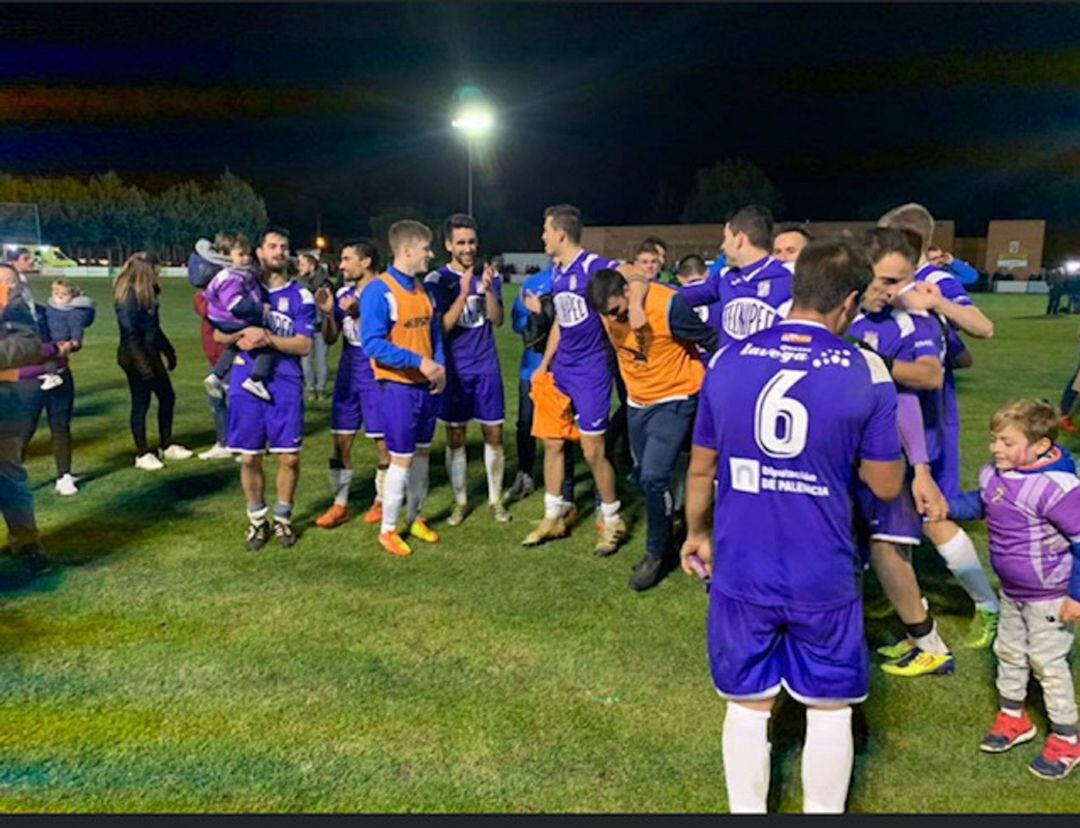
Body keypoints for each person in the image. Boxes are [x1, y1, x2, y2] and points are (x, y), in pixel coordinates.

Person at [680, 237, 905, 813]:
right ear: (850, 301)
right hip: (821, 566)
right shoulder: (867, 369)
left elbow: (701, 468)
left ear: (796, 284)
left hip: (742, 562)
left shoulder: (729, 358)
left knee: (747, 704)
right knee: (830, 708)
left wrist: (696, 534)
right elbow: (884, 485)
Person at [880, 203, 1000, 647]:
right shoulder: (884, 282)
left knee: (933, 510)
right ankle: (912, 612)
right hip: (888, 404)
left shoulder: (933, 279)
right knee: (889, 511)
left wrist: (936, 301)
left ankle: (987, 605)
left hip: (926, 409)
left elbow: (983, 327)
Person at [945, 399, 1080, 780]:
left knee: (1048, 664)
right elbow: (983, 503)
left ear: (1039, 446)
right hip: (1013, 591)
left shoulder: (1059, 488)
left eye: (1006, 442)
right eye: (993, 440)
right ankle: (1013, 718)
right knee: (1008, 652)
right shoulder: (996, 474)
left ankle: (1067, 739)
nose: (994, 449)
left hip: (1051, 595)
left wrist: (1077, 595)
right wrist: (945, 507)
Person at [847, 227, 956, 676]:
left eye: (902, 280)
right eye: (888, 280)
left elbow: (928, 377)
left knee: (887, 548)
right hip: (853, 456)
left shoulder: (912, 321)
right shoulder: (845, 315)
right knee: (868, 547)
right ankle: (912, 635)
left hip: (902, 456)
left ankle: (931, 645)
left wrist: (876, 363)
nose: (896, 291)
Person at [521, 204, 640, 555]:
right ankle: (553, 515)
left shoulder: (593, 266)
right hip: (563, 370)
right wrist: (545, 363)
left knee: (592, 448)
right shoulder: (557, 271)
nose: (542, 236)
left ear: (561, 233)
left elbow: (632, 273)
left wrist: (634, 304)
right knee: (553, 441)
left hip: (592, 371)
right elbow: (561, 321)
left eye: (545, 230)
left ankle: (612, 518)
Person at [587, 268, 717, 590]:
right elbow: (628, 268)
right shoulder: (613, 306)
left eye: (618, 311)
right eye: (608, 315)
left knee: (654, 477)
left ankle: (656, 554)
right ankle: (680, 525)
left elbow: (712, 340)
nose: (615, 320)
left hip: (675, 397)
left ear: (628, 294)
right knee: (649, 475)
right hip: (637, 403)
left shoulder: (668, 306)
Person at [217, 228, 315, 551]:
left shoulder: (301, 296)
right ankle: (257, 521)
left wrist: (269, 339)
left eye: (284, 247)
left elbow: (303, 345)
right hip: (245, 383)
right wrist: (243, 334)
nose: (278, 251)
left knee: (289, 458)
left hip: (285, 383)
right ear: (259, 252)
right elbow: (218, 335)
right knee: (249, 458)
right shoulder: (244, 288)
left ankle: (283, 518)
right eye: (272, 246)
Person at [359, 220, 446, 558]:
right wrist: (419, 362)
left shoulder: (423, 289)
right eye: (426, 248)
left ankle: (416, 517)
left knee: (422, 455)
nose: (431, 254)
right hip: (397, 388)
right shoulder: (379, 292)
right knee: (402, 458)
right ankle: (388, 529)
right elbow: (372, 344)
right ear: (407, 250)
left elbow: (434, 333)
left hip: (425, 387)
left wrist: (438, 367)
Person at [425, 214, 511, 526]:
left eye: (471, 241)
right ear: (448, 244)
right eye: (460, 242)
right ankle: (461, 501)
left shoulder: (489, 275)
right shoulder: (437, 281)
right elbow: (442, 328)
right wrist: (462, 293)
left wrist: (487, 289)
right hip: (455, 370)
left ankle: (495, 499)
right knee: (456, 436)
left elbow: (497, 319)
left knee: (494, 433)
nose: (467, 248)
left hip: (486, 366)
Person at [637, 205, 793, 349]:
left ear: (740, 239)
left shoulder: (791, 276)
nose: (722, 246)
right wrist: (636, 285)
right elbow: (677, 295)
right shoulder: (726, 277)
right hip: (730, 372)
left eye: (726, 238)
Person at [314, 239, 391, 529]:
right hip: (349, 371)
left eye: (347, 259)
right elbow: (331, 338)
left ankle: (382, 500)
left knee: (382, 441)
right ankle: (340, 504)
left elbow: (388, 338)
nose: (341, 265)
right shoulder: (343, 292)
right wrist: (328, 314)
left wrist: (360, 314)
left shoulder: (385, 292)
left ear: (366, 262)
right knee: (340, 440)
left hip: (377, 372)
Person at [0, 263, 69, 574]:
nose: (8, 286)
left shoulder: (13, 306)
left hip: (3, 405)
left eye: (11, 281)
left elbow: (27, 346)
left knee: (9, 477)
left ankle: (28, 543)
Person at [506, 260, 578, 508]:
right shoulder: (533, 283)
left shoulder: (577, 280)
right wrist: (534, 314)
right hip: (533, 367)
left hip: (565, 367)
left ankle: (567, 490)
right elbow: (518, 324)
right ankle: (525, 475)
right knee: (526, 423)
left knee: (563, 427)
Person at [113, 252, 193, 470]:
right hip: (134, 357)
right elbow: (130, 334)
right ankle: (142, 454)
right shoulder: (127, 295)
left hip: (149, 354)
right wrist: (144, 368)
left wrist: (168, 350)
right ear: (147, 271)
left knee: (167, 397)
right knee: (141, 403)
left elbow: (153, 328)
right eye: (156, 270)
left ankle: (166, 445)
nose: (159, 273)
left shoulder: (148, 292)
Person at [201, 233, 278, 403]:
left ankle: (216, 375)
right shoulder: (232, 277)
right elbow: (235, 305)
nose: (246, 259)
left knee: (234, 345)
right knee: (266, 341)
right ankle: (256, 379)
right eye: (240, 255)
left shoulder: (227, 274)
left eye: (247, 254)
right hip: (231, 318)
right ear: (225, 255)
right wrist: (259, 308)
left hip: (222, 319)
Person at [192, 286, 235, 461]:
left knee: (233, 401)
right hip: (216, 357)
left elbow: (205, 310)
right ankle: (224, 442)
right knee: (216, 399)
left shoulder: (223, 297)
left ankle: (239, 444)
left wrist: (203, 296)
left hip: (228, 355)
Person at [39, 278, 95, 392]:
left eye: (64, 294)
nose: (59, 297)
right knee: (47, 357)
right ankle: (52, 373)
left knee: (52, 357)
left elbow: (76, 327)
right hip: (49, 336)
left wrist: (76, 340)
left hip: (61, 339)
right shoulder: (50, 306)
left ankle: (52, 376)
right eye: (56, 293)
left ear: (72, 295)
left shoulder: (74, 312)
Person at [297, 252, 333, 401]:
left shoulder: (324, 283)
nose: (299, 267)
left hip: (320, 327)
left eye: (303, 264)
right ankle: (311, 388)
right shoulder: (298, 283)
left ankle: (321, 389)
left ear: (312, 266)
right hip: (305, 327)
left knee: (321, 361)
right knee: (306, 361)